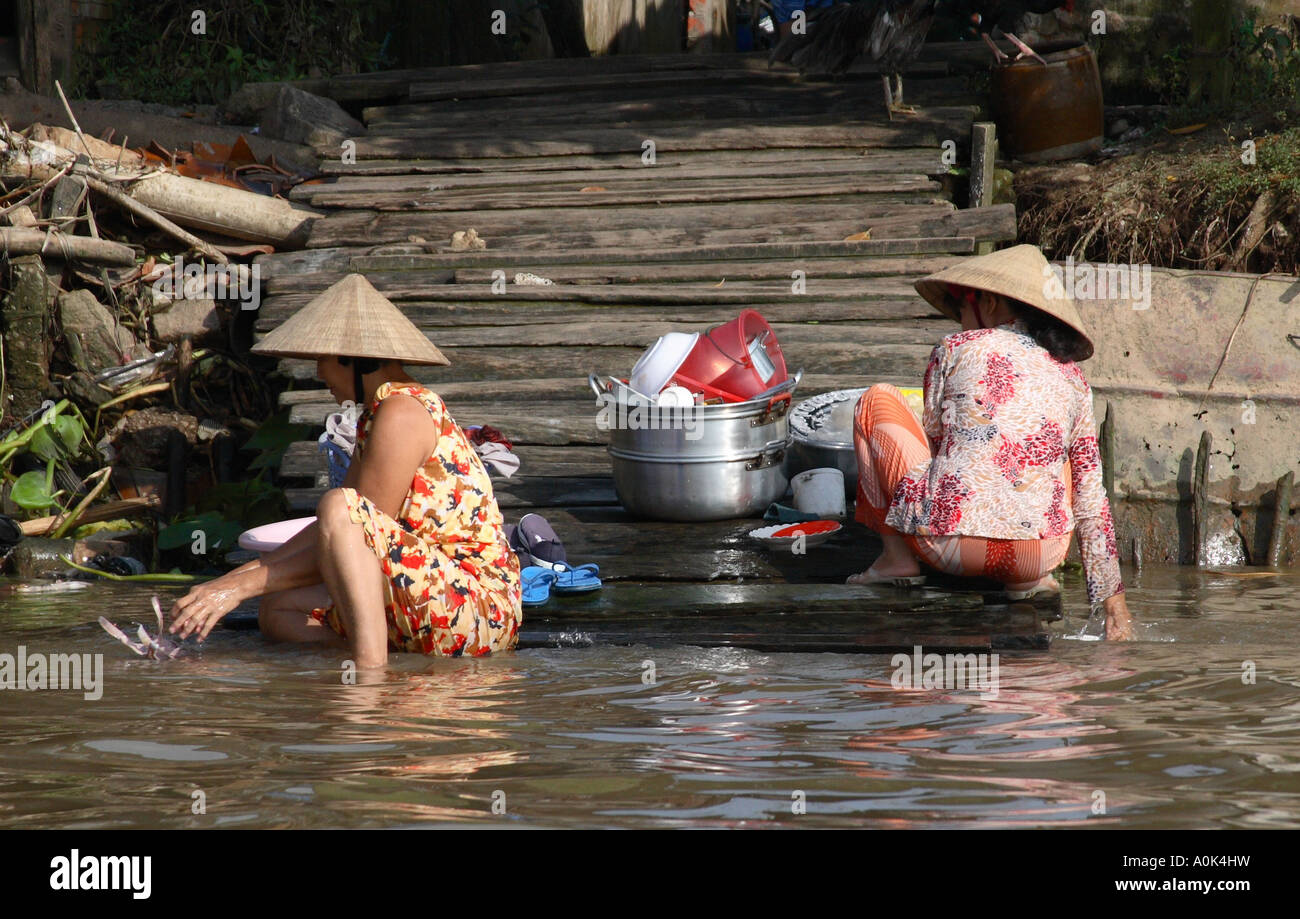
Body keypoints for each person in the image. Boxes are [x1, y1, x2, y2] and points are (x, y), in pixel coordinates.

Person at [167, 273, 523, 667]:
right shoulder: (378, 414)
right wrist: (225, 584)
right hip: (430, 594)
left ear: (358, 359)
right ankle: (393, 669)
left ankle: (368, 680)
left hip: (476, 607)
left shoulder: (403, 411)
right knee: (278, 611)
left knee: (338, 505)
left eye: (323, 359)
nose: (319, 373)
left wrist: (235, 590)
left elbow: (352, 524)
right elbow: (334, 534)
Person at [848, 244, 1133, 640]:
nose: (962, 321)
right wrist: (1114, 605)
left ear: (991, 301)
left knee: (875, 398)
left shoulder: (953, 348)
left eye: (962, 306)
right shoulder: (1074, 380)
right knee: (1057, 451)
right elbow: (1091, 501)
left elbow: (937, 441)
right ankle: (1034, 580)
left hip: (950, 549)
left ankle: (895, 560)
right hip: (1037, 556)